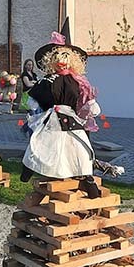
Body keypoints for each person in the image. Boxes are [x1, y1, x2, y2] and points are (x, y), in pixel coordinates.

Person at [22, 30, 103, 198]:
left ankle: (87, 178)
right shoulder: (47, 80)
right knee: (43, 143)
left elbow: (86, 98)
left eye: (65, 56)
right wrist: (36, 103)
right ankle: (29, 168)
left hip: (71, 117)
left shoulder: (78, 81)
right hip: (52, 117)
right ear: (51, 60)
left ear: (72, 59)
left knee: (80, 147)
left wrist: (90, 105)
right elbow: (35, 97)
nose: (61, 61)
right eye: (57, 57)